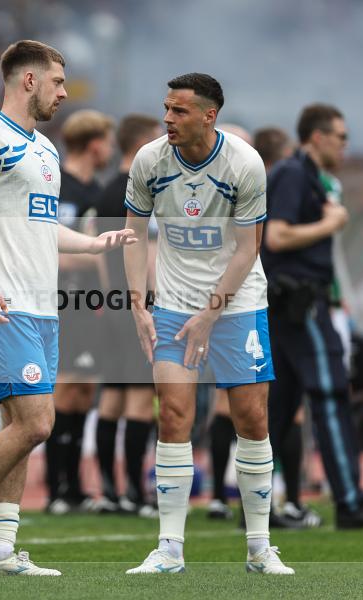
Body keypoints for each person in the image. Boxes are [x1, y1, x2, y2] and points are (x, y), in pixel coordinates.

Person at [0, 40, 135, 577]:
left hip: (44, 307)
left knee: (18, 425)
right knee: (39, 423)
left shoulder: (45, 150)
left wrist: (93, 245)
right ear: (28, 80)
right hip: (4, 303)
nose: (63, 93)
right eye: (58, 82)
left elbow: (42, 227)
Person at [123, 73, 293, 575]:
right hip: (175, 303)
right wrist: (138, 305)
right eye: (166, 109)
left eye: (178, 111)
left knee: (251, 419)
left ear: (208, 115)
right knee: (174, 415)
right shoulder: (149, 161)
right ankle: (169, 549)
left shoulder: (244, 163)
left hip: (238, 304)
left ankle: (259, 548)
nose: (167, 119)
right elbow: (133, 235)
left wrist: (211, 313)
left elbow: (248, 249)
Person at [260, 103, 363, 529]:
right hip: (300, 304)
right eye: (341, 138)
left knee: (278, 410)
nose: (346, 146)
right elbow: (277, 236)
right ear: (318, 137)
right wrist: (331, 223)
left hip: (293, 304)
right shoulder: (293, 174)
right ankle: (350, 503)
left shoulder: (310, 178)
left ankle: (256, 508)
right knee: (331, 395)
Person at [208, 125, 296, 522]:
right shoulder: (253, 186)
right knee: (263, 405)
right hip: (246, 302)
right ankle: (271, 501)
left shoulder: (237, 184)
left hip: (242, 300)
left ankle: (232, 498)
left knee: (236, 404)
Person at [45, 108, 115, 514]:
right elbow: (48, 249)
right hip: (60, 298)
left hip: (92, 301)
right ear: (94, 144)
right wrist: (97, 255)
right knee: (64, 387)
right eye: (107, 141)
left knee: (85, 390)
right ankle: (56, 486)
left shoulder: (98, 192)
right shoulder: (56, 186)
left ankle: (75, 486)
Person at [94, 113, 163, 515]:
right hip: (139, 303)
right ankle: (136, 492)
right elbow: (148, 252)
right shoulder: (141, 189)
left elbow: (100, 253)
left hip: (113, 303)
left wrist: (110, 299)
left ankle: (108, 489)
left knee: (113, 396)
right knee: (139, 398)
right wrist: (150, 301)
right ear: (141, 143)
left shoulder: (106, 191)